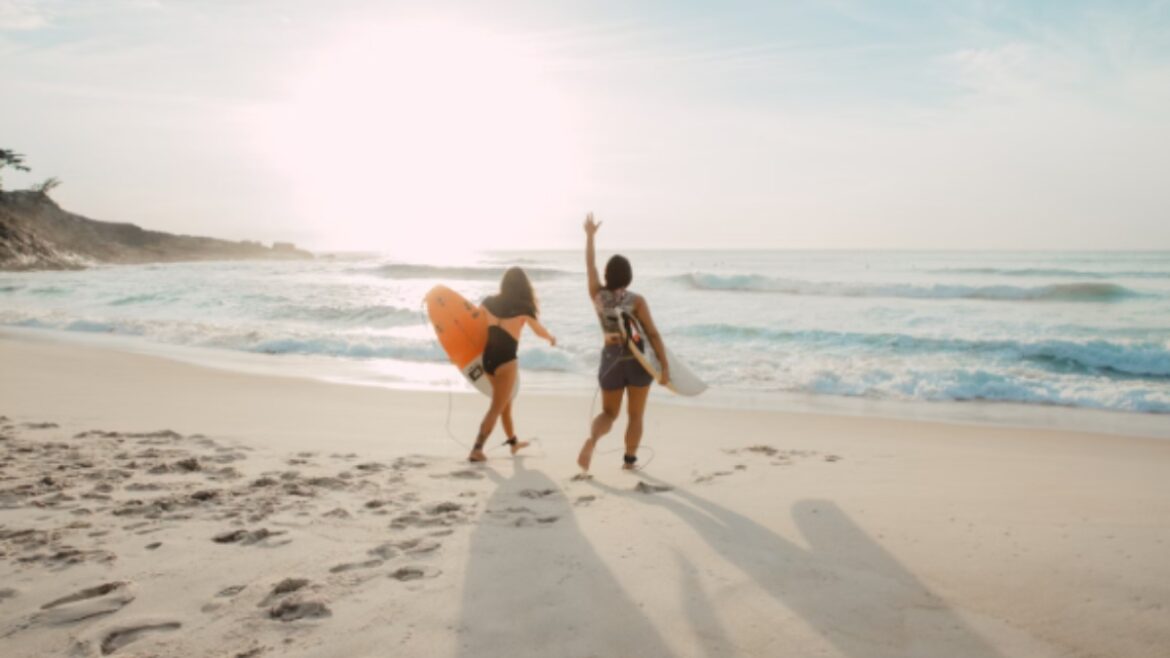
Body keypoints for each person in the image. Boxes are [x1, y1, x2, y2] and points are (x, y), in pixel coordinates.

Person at [577, 213, 670, 472]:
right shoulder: (637, 300)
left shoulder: (597, 295)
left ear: (607, 275)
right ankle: (629, 461)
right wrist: (664, 367)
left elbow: (590, 266)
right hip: (637, 360)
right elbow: (652, 334)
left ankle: (592, 440)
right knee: (636, 415)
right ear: (629, 277)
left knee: (609, 414)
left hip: (611, 358)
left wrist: (590, 236)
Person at [469, 267, 556, 463]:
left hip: (488, 360)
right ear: (524, 286)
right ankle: (477, 449)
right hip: (506, 362)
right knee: (496, 407)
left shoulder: (488, 302)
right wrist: (551, 338)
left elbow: (473, 322)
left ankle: (513, 443)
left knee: (505, 405)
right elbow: (538, 331)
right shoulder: (524, 308)